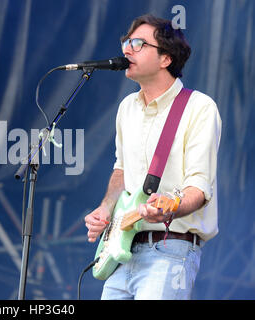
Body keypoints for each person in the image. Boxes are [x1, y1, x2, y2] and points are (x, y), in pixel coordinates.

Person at [84, 14, 221, 299]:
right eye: (126, 42)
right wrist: (106, 209)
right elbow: (122, 170)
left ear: (166, 59)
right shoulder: (126, 108)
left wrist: (170, 207)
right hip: (122, 252)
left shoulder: (199, 108)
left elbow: (198, 184)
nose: (126, 49)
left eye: (138, 43)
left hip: (170, 251)